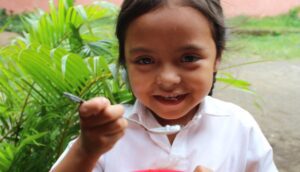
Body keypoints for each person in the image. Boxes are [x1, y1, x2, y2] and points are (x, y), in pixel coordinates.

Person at [51, 0, 278, 171]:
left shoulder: (238, 128)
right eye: (145, 61)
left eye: (188, 58)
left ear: (217, 57)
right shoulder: (106, 137)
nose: (168, 79)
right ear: (125, 63)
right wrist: (86, 151)